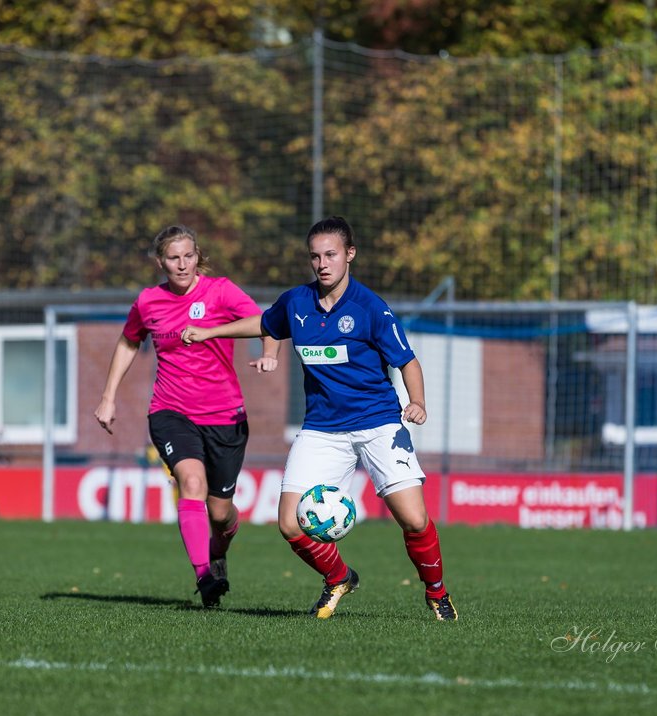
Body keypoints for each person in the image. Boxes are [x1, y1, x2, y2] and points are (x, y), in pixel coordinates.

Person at [182, 216, 457, 621]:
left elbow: (408, 361)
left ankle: (437, 593)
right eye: (315, 256)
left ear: (350, 255)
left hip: (379, 422)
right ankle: (339, 577)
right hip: (323, 429)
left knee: (414, 520)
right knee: (290, 525)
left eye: (331, 254)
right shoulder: (297, 302)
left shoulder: (370, 309)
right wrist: (210, 333)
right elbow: (265, 323)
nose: (322, 263)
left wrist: (417, 402)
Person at [93, 224, 265, 608]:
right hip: (171, 411)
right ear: (161, 261)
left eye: (188, 255)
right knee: (190, 482)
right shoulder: (149, 301)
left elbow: (261, 321)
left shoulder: (220, 290)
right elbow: (128, 342)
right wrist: (108, 397)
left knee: (220, 514)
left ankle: (217, 554)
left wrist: (266, 352)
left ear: (197, 255)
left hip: (225, 415)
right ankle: (204, 576)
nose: (182, 264)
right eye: (174, 257)